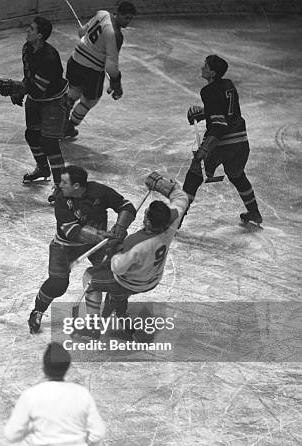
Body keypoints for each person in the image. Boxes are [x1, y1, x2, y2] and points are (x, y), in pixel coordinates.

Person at [28, 165, 136, 334]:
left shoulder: (100, 191)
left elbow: (127, 206)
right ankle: (37, 310)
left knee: (115, 277)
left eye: (64, 182)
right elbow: (71, 231)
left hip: (96, 246)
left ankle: (121, 312)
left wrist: (120, 227)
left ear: (76, 186)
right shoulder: (61, 198)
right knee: (58, 284)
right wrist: (102, 235)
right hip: (66, 246)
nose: (59, 185)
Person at [82, 171, 189, 324]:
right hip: (153, 278)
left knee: (90, 277)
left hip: (132, 283)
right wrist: (164, 187)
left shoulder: (135, 244)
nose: (144, 213)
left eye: (146, 214)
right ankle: (120, 311)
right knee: (119, 283)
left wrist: (115, 251)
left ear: (148, 223)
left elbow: (117, 268)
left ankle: (92, 324)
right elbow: (181, 198)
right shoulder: (172, 221)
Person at [5, 341, 106, 446]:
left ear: (44, 367)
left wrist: (31, 428)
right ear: (67, 366)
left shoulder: (31, 395)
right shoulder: (81, 393)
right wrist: (77, 444)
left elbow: (12, 434)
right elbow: (98, 432)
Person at [182, 55, 262, 227]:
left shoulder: (208, 91)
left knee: (194, 174)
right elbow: (226, 111)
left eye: (205, 67)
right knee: (237, 175)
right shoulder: (228, 85)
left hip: (221, 143)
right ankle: (254, 212)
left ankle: (176, 219)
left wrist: (203, 151)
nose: (201, 68)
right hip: (241, 142)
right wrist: (204, 113)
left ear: (212, 73)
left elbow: (219, 125)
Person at [0, 16, 69, 188]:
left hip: (53, 101)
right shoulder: (27, 48)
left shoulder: (49, 58)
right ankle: (43, 169)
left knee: (49, 144)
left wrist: (15, 88)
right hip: (35, 98)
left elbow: (37, 88)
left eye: (32, 29)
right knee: (32, 135)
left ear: (40, 35)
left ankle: (62, 188)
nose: (28, 31)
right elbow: (29, 78)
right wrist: (18, 90)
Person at [63, 1, 136, 139]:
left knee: (73, 92)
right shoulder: (116, 35)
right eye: (126, 17)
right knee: (89, 100)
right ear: (118, 13)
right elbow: (111, 66)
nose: (127, 22)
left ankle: (57, 121)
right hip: (92, 70)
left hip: (75, 60)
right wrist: (116, 83)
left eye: (130, 19)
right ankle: (69, 127)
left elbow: (81, 33)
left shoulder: (102, 14)